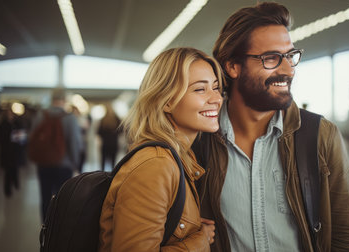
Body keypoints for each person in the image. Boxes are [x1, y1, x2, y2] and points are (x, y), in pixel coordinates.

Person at [192, 2, 349, 251]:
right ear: (232, 66)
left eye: (290, 56)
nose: (288, 69)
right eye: (271, 58)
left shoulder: (320, 135)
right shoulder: (199, 140)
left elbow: (345, 234)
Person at [98, 47, 223, 251]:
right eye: (200, 89)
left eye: (216, 88)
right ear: (167, 100)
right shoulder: (156, 165)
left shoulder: (180, 158)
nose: (216, 99)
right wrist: (200, 241)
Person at [30, 88, 83, 221]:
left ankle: (45, 227)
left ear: (52, 99)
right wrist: (75, 163)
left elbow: (33, 138)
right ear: (64, 100)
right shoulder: (70, 118)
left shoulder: (41, 115)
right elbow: (74, 143)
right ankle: (58, 228)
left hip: (44, 163)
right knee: (62, 198)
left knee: (45, 197)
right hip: (64, 165)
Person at [0, 106, 25, 197]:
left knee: (15, 169)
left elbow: (22, 138)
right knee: (8, 172)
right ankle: (7, 190)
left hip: (16, 152)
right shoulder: (2, 125)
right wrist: (7, 139)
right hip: (6, 152)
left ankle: (16, 184)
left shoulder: (18, 124)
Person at [97, 103, 121, 171]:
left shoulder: (103, 119)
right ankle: (112, 179)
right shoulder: (117, 119)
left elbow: (99, 132)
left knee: (103, 163)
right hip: (114, 144)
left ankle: (102, 178)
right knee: (113, 163)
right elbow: (121, 131)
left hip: (105, 144)